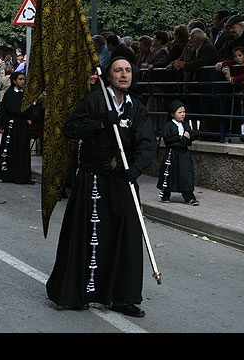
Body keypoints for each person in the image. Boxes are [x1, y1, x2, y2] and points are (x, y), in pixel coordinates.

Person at [46, 56, 156, 317]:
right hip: (92, 179)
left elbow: (147, 143)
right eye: (118, 70)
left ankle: (122, 297)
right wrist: (102, 123)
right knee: (88, 237)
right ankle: (77, 293)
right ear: (109, 75)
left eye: (128, 70)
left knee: (126, 238)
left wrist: (136, 167)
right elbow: (71, 129)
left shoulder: (136, 108)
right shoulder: (95, 101)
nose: (124, 75)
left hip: (123, 181)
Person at [0, 71, 34, 184]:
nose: (22, 81)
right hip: (11, 126)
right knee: (10, 149)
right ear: (14, 81)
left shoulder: (26, 94)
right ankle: (8, 175)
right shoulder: (9, 93)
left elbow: (31, 108)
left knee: (23, 150)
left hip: (23, 125)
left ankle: (23, 176)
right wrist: (1, 125)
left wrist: (30, 118)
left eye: (23, 79)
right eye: (20, 79)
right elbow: (3, 110)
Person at [157, 100, 198, 205]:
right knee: (170, 174)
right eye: (180, 112)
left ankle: (189, 197)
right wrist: (181, 137)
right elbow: (168, 140)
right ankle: (166, 195)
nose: (183, 114)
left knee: (186, 174)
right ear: (172, 114)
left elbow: (189, 139)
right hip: (172, 154)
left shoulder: (186, 125)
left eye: (184, 112)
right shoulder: (168, 125)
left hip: (184, 154)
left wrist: (182, 139)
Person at [218, 46, 244, 140]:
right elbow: (226, 62)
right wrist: (227, 71)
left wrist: (233, 79)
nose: (237, 58)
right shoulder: (235, 63)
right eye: (235, 56)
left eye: (240, 55)